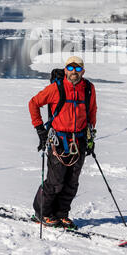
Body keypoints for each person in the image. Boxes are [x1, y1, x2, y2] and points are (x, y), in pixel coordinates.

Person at [28, 56, 97, 229]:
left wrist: (91, 137)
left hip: (79, 140)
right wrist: (40, 130)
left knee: (72, 182)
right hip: (59, 141)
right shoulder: (55, 89)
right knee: (55, 181)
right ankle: (42, 213)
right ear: (65, 70)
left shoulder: (88, 89)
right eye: (71, 68)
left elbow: (92, 111)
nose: (74, 72)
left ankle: (61, 214)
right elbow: (33, 103)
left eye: (78, 69)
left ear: (83, 71)